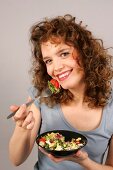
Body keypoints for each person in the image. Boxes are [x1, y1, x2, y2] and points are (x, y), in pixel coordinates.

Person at [9, 14, 113, 170]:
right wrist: (22, 128)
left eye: (64, 53)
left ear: (86, 54)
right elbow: (16, 159)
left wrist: (84, 161)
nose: (56, 67)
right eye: (48, 61)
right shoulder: (41, 95)